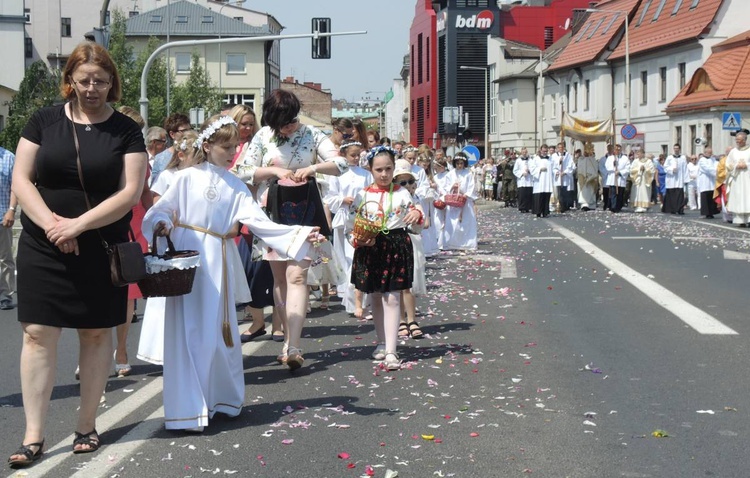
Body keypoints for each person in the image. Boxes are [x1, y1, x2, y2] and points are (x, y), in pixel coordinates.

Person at [9, 42, 147, 466]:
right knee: (37, 335)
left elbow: (130, 193)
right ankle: (33, 436)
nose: (92, 88)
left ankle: (86, 424)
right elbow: (21, 177)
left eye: (101, 81)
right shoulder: (43, 120)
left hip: (98, 245)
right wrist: (54, 226)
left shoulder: (126, 130)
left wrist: (78, 226)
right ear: (69, 80)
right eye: (84, 80)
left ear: (113, 83)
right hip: (42, 242)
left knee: (94, 333)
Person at [143, 115, 322, 432]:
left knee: (218, 334)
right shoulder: (185, 179)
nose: (232, 152)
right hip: (188, 259)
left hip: (220, 261)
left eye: (235, 146)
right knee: (188, 333)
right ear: (208, 145)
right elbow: (162, 210)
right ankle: (187, 407)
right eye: (226, 146)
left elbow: (260, 222)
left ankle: (221, 399)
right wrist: (162, 223)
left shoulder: (236, 185)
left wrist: (299, 234)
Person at [236, 89, 347, 370]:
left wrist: (312, 170)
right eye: (283, 122)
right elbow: (243, 170)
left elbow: (341, 162)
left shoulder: (311, 134)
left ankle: (294, 345)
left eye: (292, 119)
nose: (290, 126)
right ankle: (286, 338)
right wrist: (274, 172)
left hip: (305, 211)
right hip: (271, 214)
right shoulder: (262, 137)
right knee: (281, 280)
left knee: (297, 276)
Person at [348, 146, 422, 370]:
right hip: (370, 246)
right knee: (376, 297)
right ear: (370, 169)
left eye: (388, 169)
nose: (384, 174)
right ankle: (381, 342)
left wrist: (417, 213)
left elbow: (416, 217)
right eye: (378, 169)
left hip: (396, 245)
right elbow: (353, 225)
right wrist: (358, 240)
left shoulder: (401, 192)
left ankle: (392, 349)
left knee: (392, 297)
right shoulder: (363, 194)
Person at [325, 140, 372, 316]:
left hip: (361, 220)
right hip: (344, 219)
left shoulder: (365, 174)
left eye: (358, 155)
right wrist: (343, 200)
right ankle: (350, 299)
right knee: (345, 259)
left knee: (358, 260)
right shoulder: (336, 174)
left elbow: (369, 193)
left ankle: (361, 300)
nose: (356, 158)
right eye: (352, 155)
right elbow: (329, 197)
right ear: (344, 155)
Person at [443, 151, 478, 250]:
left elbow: (471, 186)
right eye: (457, 163)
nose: (459, 165)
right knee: (453, 223)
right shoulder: (450, 174)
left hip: (465, 201)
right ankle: (452, 243)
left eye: (461, 163)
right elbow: (446, 186)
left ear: (465, 163)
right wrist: (452, 186)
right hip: (453, 201)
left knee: (466, 222)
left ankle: (467, 243)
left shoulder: (468, 174)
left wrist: (466, 195)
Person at [149, 113, 192, 186]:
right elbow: (155, 188)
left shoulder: (196, 154)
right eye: (184, 131)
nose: (188, 134)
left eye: (190, 130)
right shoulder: (160, 158)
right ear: (172, 134)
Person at [0, 145, 18, 310]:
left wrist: (11, 210)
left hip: (2, 216)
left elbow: (16, 187)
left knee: (5, 258)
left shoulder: (8, 157)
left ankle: (5, 295)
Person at [725, 129, 750, 226]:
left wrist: (747, 165)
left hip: (748, 178)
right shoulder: (733, 152)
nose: (737, 142)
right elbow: (728, 164)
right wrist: (736, 166)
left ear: (745, 140)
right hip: (737, 179)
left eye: (739, 140)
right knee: (738, 198)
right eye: (736, 140)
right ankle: (740, 221)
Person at [663, 143, 688, 214]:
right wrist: (671, 170)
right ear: (673, 149)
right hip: (671, 179)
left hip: (679, 179)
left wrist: (685, 179)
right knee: (672, 195)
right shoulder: (669, 157)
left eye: (677, 148)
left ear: (679, 149)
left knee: (679, 195)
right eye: (675, 148)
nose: (676, 150)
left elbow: (685, 169)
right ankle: (672, 209)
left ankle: (680, 209)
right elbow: (665, 167)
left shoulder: (683, 158)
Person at [605, 144, 630, 213]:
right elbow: (607, 167)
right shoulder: (610, 158)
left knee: (620, 194)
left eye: (619, 150)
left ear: (621, 150)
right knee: (613, 193)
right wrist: (613, 167)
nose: (617, 151)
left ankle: (618, 206)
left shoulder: (625, 158)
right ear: (614, 150)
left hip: (621, 179)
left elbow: (627, 168)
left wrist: (620, 172)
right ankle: (613, 207)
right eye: (616, 149)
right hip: (613, 178)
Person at [531, 145, 554, 217]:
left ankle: (545, 212)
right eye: (544, 151)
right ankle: (538, 212)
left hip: (547, 181)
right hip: (539, 181)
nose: (545, 153)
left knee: (546, 196)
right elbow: (532, 169)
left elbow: (554, 168)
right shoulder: (536, 159)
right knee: (539, 197)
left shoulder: (550, 159)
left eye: (546, 151)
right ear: (540, 151)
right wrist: (539, 169)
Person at [551, 142, 575, 212]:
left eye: (562, 147)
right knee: (558, 193)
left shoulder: (568, 156)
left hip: (565, 177)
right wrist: (557, 169)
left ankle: (565, 206)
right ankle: (559, 205)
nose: (561, 149)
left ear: (564, 148)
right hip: (558, 177)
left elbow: (571, 166)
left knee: (565, 193)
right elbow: (552, 166)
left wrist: (565, 172)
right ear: (557, 148)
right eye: (559, 148)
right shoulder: (554, 156)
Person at [697, 147, 719, 219]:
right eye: (709, 153)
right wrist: (716, 172)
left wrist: (717, 171)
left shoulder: (713, 159)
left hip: (712, 181)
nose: (710, 154)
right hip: (705, 181)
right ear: (705, 153)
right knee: (705, 197)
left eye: (711, 152)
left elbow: (717, 166)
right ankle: (706, 213)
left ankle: (711, 212)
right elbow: (707, 169)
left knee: (711, 197)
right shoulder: (702, 160)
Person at [576, 142, 598, 211]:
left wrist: (591, 175)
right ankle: (584, 205)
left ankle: (591, 205)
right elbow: (579, 168)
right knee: (584, 192)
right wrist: (583, 175)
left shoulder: (593, 159)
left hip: (591, 178)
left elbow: (595, 168)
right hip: (583, 177)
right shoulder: (581, 159)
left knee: (591, 191)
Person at [513, 147, 533, 213]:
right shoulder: (518, 160)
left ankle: (528, 207)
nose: (524, 153)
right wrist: (521, 173)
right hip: (522, 180)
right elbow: (515, 170)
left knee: (528, 194)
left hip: (529, 179)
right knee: (522, 194)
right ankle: (522, 207)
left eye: (525, 152)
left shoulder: (530, 160)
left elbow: (533, 168)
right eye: (523, 152)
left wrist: (530, 171)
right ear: (521, 153)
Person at [599, 144, 614, 210]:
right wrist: (607, 173)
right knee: (606, 192)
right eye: (609, 149)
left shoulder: (615, 158)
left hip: (613, 177)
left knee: (612, 192)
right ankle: (605, 204)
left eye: (611, 149)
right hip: (606, 177)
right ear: (607, 149)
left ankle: (611, 205)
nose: (610, 150)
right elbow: (601, 167)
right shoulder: (603, 159)